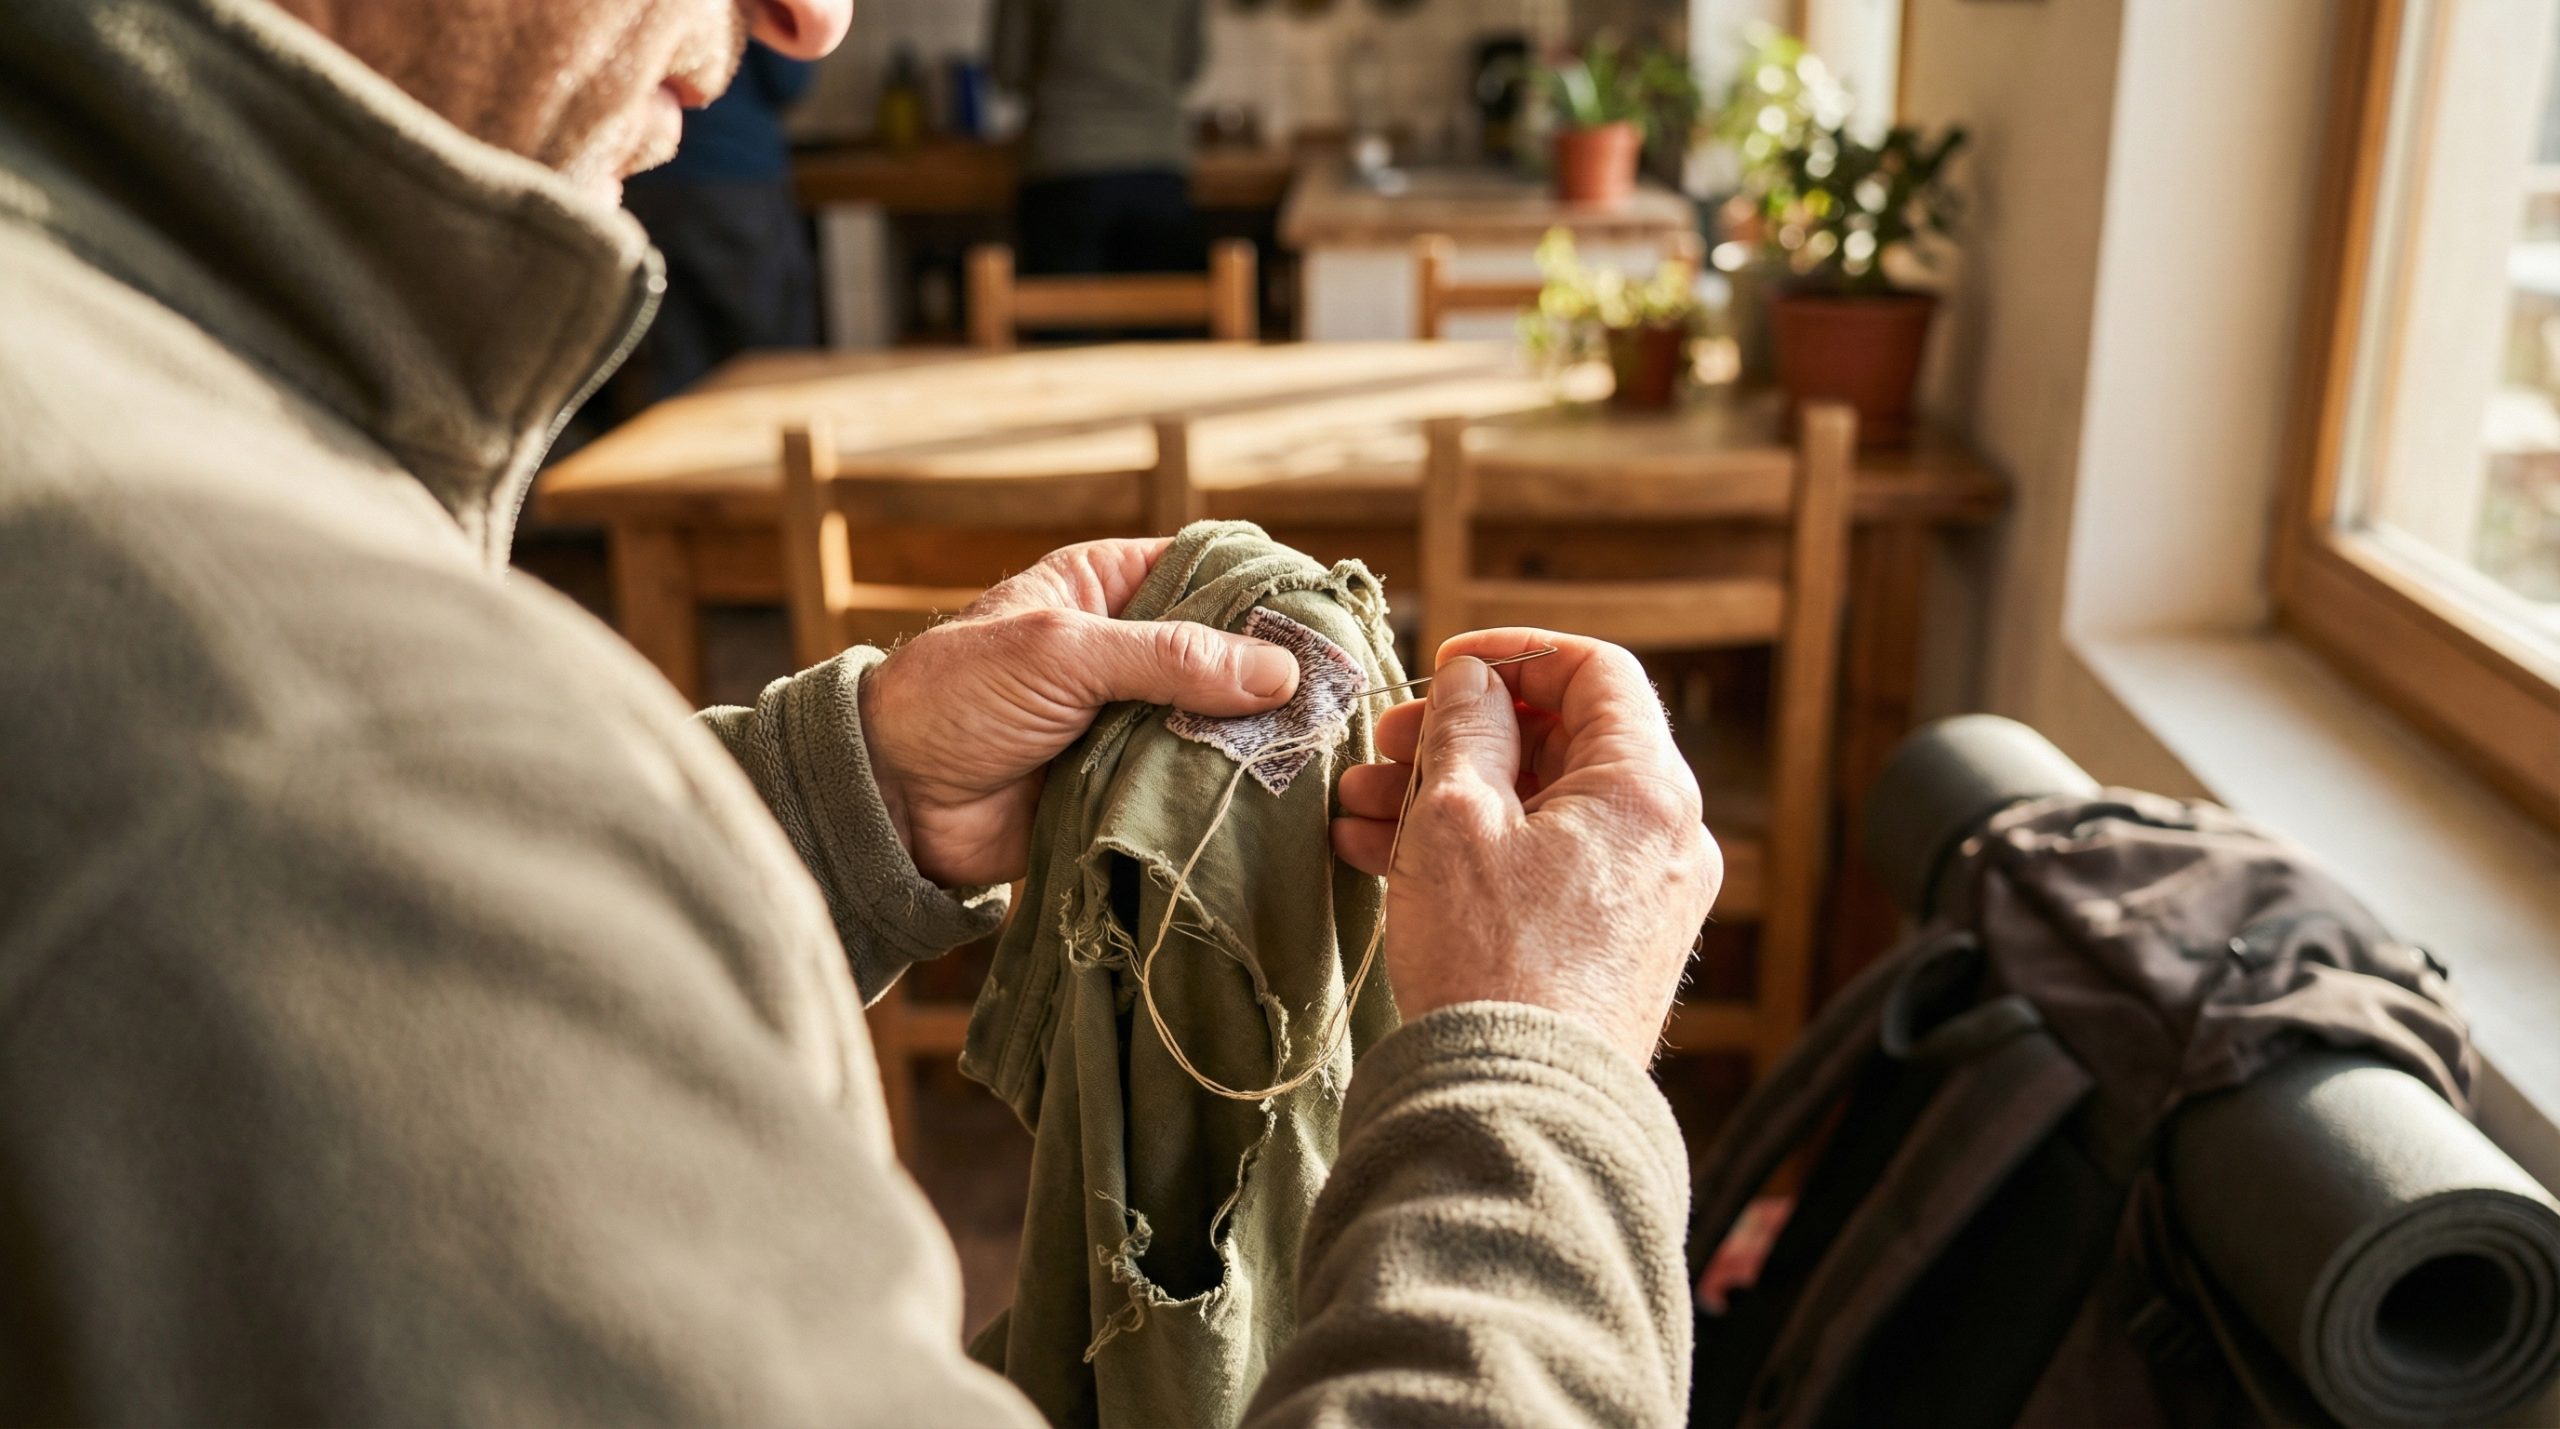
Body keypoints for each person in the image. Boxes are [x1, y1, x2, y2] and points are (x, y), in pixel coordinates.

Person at [0, 0, 1721, 1423]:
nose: (811, 20)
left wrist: (852, 793)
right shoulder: (312, 748)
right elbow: (360, 850)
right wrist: (1536, 1078)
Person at [621, 39, 820, 401]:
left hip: (647, 180)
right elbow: (788, 80)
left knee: (678, 367)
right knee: (772, 360)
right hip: (735, 179)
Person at [990, 0, 1209, 278]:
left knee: (1064, 301)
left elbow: (1009, 69)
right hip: (1157, 161)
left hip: (1065, 156)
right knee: (1158, 299)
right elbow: (1189, 64)